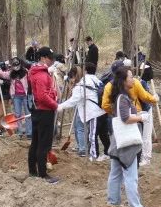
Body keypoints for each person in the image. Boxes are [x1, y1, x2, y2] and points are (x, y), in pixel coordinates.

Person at [105, 68, 155, 207]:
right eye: (131, 77)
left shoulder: (119, 97)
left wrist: (138, 114)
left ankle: (113, 202)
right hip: (127, 144)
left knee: (115, 173)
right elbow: (126, 118)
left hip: (118, 142)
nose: (133, 79)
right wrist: (141, 118)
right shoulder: (123, 98)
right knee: (131, 176)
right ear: (123, 81)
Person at [102, 61, 158, 163]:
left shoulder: (109, 86)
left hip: (121, 117)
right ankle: (142, 158)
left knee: (120, 137)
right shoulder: (134, 83)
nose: (132, 78)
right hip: (136, 115)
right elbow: (145, 96)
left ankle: (124, 158)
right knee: (140, 136)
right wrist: (154, 99)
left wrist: (115, 112)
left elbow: (105, 105)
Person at [58, 64, 106, 158]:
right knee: (94, 133)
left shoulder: (80, 86)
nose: (71, 81)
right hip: (95, 111)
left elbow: (73, 101)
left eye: (71, 78)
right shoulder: (87, 81)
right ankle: (89, 151)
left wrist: (60, 106)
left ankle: (91, 155)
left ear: (74, 76)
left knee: (91, 135)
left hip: (93, 112)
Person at [28, 46, 60, 182]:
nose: (52, 61)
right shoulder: (41, 75)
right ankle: (42, 173)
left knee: (36, 141)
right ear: (43, 58)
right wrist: (55, 105)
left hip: (38, 110)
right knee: (44, 143)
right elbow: (42, 96)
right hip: (45, 111)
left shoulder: (36, 72)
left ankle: (33, 170)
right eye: (49, 58)